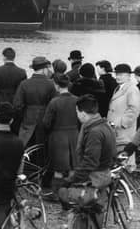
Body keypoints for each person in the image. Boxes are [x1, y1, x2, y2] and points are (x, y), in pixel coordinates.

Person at [59, 95, 117, 224]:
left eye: (77, 112)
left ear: (83, 113)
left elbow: (90, 162)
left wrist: (70, 180)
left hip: (93, 178)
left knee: (83, 212)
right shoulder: (105, 125)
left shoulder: (94, 132)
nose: (77, 115)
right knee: (96, 213)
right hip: (104, 175)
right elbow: (113, 152)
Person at [42, 74, 78, 196]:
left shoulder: (54, 102)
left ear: (56, 85)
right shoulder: (77, 100)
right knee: (73, 166)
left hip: (58, 137)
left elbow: (46, 123)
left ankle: (57, 193)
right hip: (74, 135)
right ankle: (73, 193)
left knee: (58, 169)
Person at [13, 56, 56, 150]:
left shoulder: (24, 84)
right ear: (44, 69)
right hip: (44, 120)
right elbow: (54, 105)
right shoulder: (51, 84)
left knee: (26, 148)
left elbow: (17, 105)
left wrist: (23, 117)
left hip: (27, 120)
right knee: (43, 150)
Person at [107, 63, 140, 170]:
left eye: (121, 74)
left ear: (129, 76)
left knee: (126, 156)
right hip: (117, 129)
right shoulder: (119, 88)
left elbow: (134, 109)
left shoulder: (132, 89)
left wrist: (122, 123)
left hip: (124, 130)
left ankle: (130, 183)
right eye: (116, 74)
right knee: (120, 158)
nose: (118, 76)